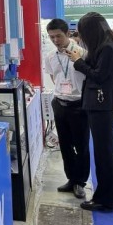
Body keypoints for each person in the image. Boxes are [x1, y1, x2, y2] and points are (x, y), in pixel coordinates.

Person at [67, 12, 113, 212]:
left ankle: (105, 200)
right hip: (100, 104)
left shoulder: (107, 48)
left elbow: (99, 76)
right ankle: (112, 197)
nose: (81, 37)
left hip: (102, 104)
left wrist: (78, 62)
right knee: (105, 152)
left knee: (103, 153)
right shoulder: (105, 46)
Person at [44, 19, 89, 200]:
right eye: (52, 37)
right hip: (60, 103)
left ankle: (80, 182)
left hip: (79, 105)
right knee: (65, 145)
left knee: (81, 145)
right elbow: (54, 78)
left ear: (68, 34)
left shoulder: (82, 53)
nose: (55, 40)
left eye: (59, 36)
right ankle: (71, 178)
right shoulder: (50, 57)